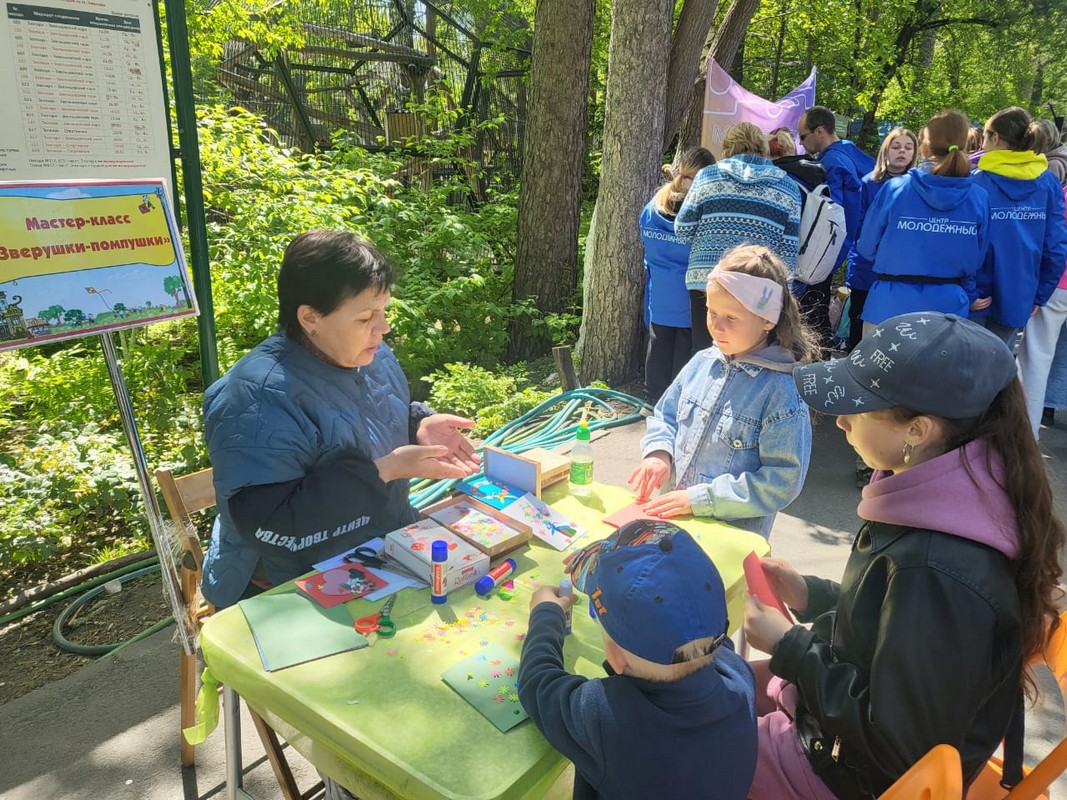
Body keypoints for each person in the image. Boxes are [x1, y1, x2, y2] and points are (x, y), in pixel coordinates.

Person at [745, 311, 1065, 799]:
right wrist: (815, 595)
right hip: (835, 719)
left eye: (859, 407)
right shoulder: (959, 490)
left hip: (844, 773)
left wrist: (790, 647)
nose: (841, 420)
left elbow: (900, 748)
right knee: (695, 694)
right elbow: (898, 628)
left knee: (649, 741)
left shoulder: (939, 565)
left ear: (918, 430)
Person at [201, 230, 479, 609]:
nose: (383, 329)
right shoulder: (256, 394)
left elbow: (369, 416)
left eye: (383, 312)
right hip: (292, 580)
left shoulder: (368, 351)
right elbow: (273, 526)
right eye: (366, 317)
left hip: (382, 538)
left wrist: (419, 426)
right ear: (310, 317)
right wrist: (384, 470)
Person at [518, 519, 757, 800]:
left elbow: (537, 684)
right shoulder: (738, 675)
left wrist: (546, 612)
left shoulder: (606, 717)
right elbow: (699, 628)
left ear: (615, 660)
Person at [629, 245, 820, 538]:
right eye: (711, 311)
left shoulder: (782, 391)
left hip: (730, 541)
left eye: (731, 318)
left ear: (767, 319)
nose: (716, 327)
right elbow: (665, 416)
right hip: (673, 527)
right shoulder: (702, 362)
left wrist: (701, 500)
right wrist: (658, 454)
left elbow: (783, 480)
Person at [676, 122, 802, 354]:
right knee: (753, 354)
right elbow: (788, 251)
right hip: (759, 283)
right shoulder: (788, 186)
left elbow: (682, 229)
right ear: (763, 147)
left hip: (707, 277)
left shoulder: (707, 177)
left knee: (706, 352)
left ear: (727, 148)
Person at [857, 109, 989, 329]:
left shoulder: (895, 189)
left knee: (878, 365)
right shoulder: (978, 197)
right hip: (948, 310)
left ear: (924, 148)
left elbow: (866, 247)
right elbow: (978, 258)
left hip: (888, 305)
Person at [972, 107, 1067, 348]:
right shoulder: (1047, 183)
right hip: (1020, 292)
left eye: (984, 134)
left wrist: (969, 289)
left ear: (995, 138)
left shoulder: (976, 182)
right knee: (998, 371)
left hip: (975, 296)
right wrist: (1039, 295)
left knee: (965, 371)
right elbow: (1055, 247)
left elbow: (961, 243)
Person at [639, 147, 716, 401]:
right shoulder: (697, 210)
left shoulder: (653, 205)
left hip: (659, 292)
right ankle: (677, 404)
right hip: (688, 295)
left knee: (657, 343)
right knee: (684, 352)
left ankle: (651, 400)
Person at [795, 106, 875, 346]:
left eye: (803, 136)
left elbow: (831, 223)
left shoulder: (831, 163)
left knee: (814, 318)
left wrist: (822, 265)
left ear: (820, 131)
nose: (801, 144)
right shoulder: (856, 154)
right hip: (867, 252)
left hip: (834, 253)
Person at [846, 127, 919, 351]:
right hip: (867, 268)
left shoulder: (918, 187)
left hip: (902, 271)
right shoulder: (868, 183)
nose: (902, 152)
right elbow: (858, 227)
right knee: (860, 326)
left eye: (908, 147)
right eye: (896, 147)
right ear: (885, 151)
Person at [1018, 184, 1067, 438]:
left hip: (1058, 286)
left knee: (1035, 360)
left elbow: (1054, 242)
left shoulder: (1061, 193)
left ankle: (1027, 434)